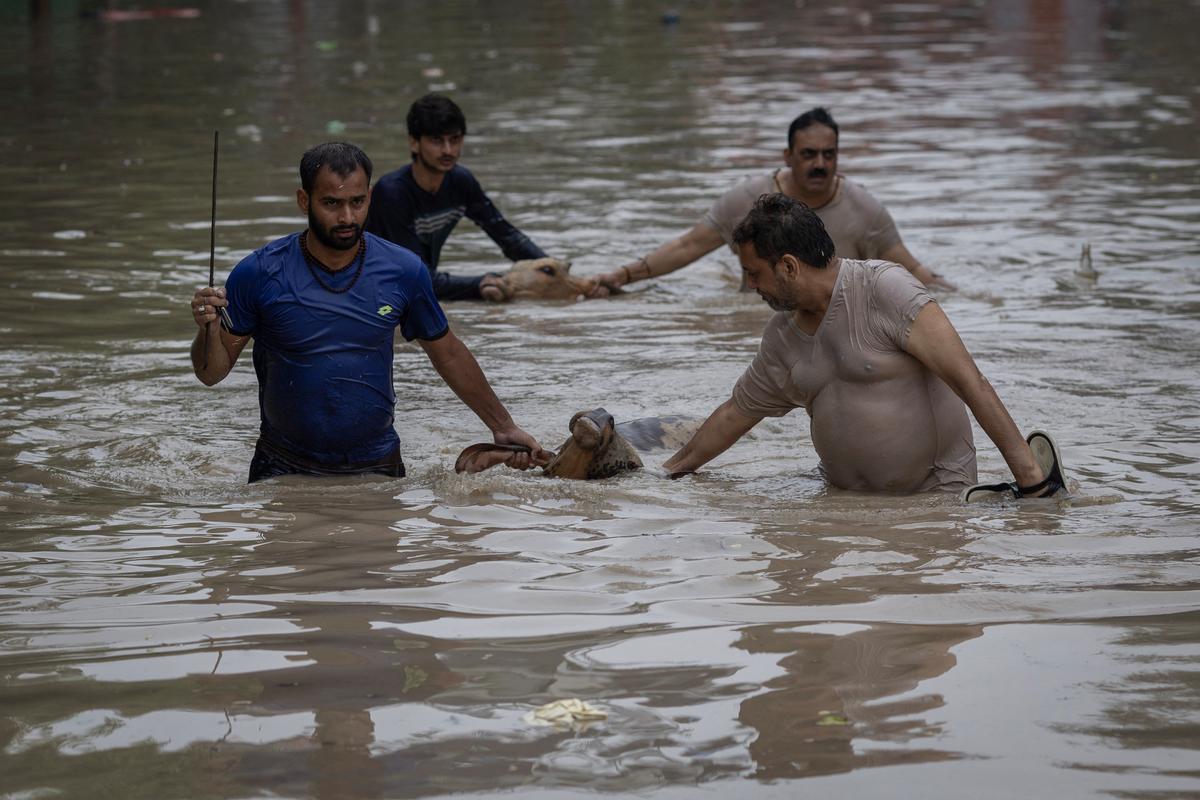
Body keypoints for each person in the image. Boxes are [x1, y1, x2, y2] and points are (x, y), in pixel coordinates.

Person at [189, 141, 550, 483]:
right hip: (284, 468)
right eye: (331, 203)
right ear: (304, 200)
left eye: (357, 202)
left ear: (370, 198)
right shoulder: (259, 273)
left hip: (377, 466)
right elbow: (211, 372)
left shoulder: (404, 270)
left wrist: (502, 426)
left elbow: (449, 353)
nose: (347, 216)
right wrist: (206, 327)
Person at [662, 193, 1062, 497]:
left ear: (788, 266)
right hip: (841, 501)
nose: (749, 286)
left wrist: (1030, 479)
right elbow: (736, 412)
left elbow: (970, 381)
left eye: (753, 273)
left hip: (935, 500)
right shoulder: (781, 337)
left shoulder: (886, 289)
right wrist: (665, 475)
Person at [591, 107, 954, 297]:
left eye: (829, 154)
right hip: (757, 310)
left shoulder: (865, 210)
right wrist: (622, 276)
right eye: (809, 154)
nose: (820, 164)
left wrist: (969, 300)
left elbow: (913, 271)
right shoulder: (748, 199)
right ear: (788, 155)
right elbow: (688, 245)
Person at [364, 93, 550, 302]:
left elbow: (507, 237)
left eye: (455, 140)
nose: (448, 150)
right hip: (375, 296)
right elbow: (415, 277)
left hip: (415, 289)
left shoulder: (461, 182)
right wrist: (481, 283)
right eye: (437, 140)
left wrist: (554, 270)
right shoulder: (393, 193)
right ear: (414, 143)